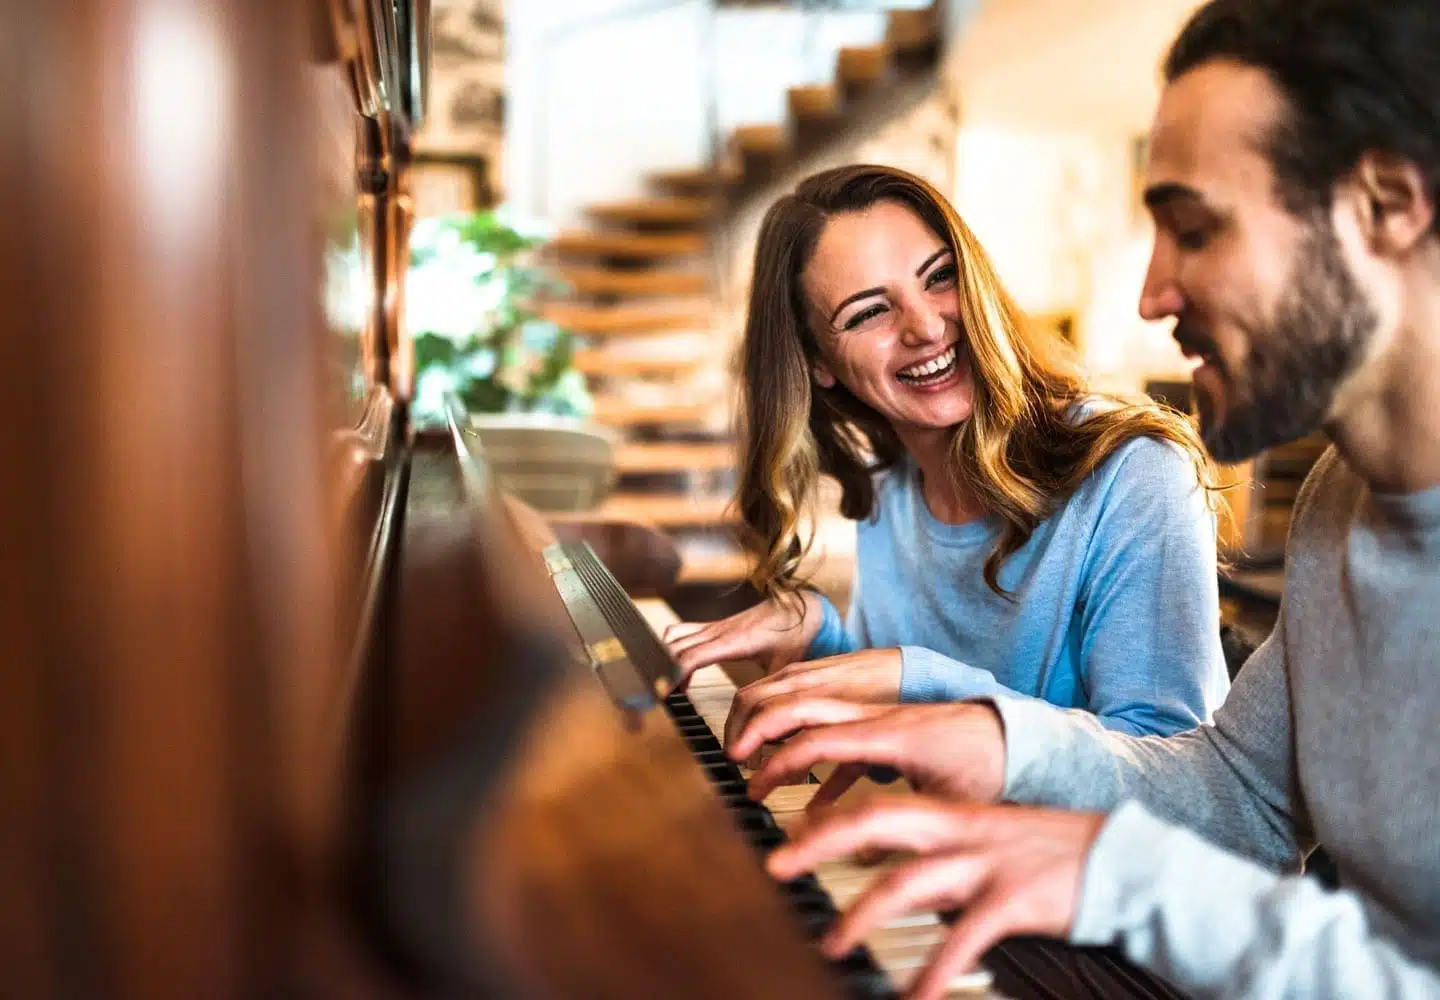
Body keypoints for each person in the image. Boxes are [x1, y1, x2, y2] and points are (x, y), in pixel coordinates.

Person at [729, 2, 1440, 998]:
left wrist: (1113, 868)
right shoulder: (1340, 501)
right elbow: (1240, 793)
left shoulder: (1139, 475)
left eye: (1194, 228)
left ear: (1387, 203)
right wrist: (999, 739)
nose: (1152, 294)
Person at [663, 164, 1230, 747]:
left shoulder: (1136, 472)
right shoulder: (893, 489)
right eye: (867, 312)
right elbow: (902, 744)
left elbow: (1167, 768)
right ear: (817, 364)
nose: (927, 326)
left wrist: (917, 681)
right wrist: (818, 634)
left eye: (940, 277)